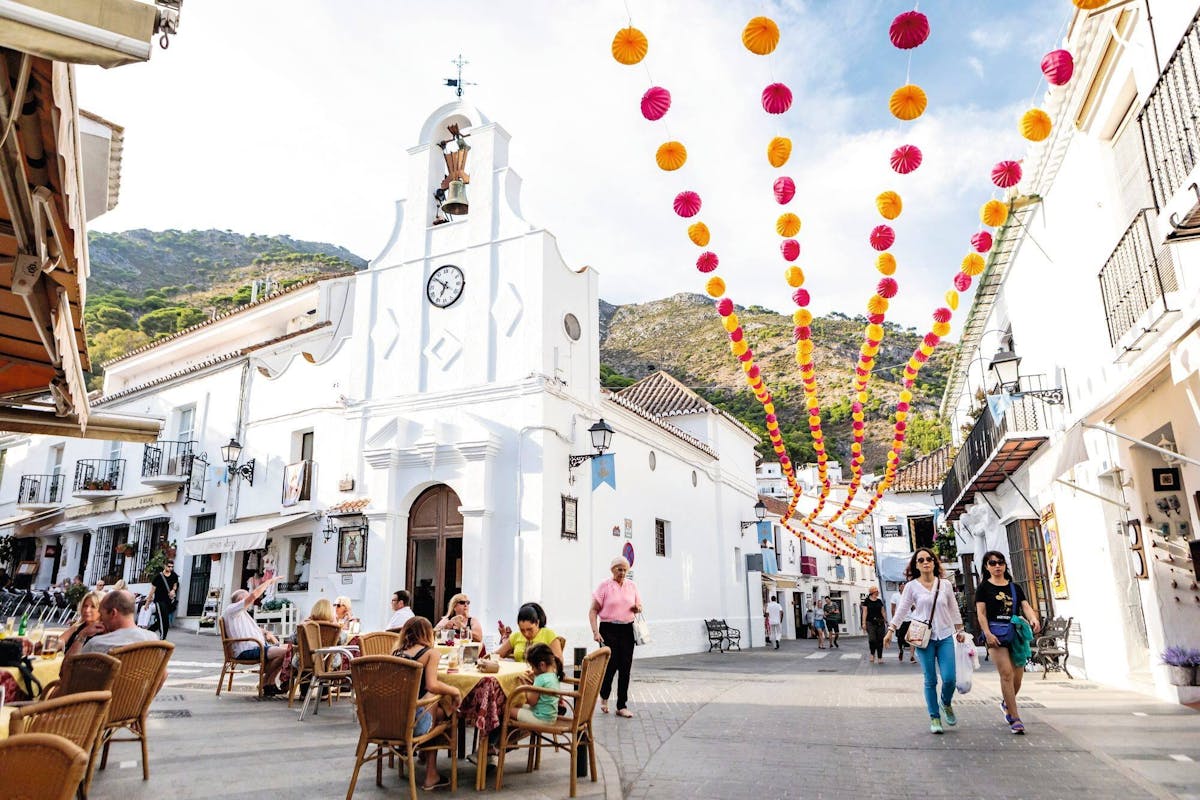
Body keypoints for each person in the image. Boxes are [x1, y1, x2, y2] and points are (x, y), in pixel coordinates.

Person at [883, 548, 967, 734]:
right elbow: (902, 610)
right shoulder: (912, 586)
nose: (925, 562)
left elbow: (954, 609)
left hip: (944, 635)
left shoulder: (944, 585)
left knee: (949, 678)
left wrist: (959, 629)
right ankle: (934, 717)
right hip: (922, 638)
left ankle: (945, 703)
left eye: (929, 559)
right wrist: (891, 630)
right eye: (921, 560)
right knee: (930, 680)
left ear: (934, 562)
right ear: (916, 565)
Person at [976, 550, 1041, 735]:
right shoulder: (984, 588)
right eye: (993, 563)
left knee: (1017, 677)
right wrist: (987, 633)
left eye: (1000, 562)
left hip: (1014, 632)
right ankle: (1015, 717)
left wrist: (1033, 619)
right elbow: (981, 613)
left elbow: (1025, 606)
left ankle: (1006, 703)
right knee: (1006, 674)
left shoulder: (1014, 588)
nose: (997, 566)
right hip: (995, 634)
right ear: (986, 567)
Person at [396, 617, 461, 790]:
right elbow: (431, 684)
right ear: (427, 633)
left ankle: (424, 756)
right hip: (414, 725)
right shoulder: (431, 653)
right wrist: (455, 691)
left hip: (393, 721)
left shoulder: (396, 653)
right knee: (444, 708)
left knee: (441, 710)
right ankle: (431, 774)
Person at [589, 556, 642, 718]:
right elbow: (593, 611)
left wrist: (637, 608)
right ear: (612, 570)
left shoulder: (632, 586)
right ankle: (604, 697)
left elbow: (640, 606)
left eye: (625, 569)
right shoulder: (604, 586)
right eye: (619, 569)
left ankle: (621, 705)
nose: (622, 572)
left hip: (627, 629)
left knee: (625, 667)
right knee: (610, 666)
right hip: (608, 629)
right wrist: (595, 632)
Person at [221, 575, 288, 695]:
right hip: (247, 650)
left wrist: (267, 633)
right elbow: (253, 596)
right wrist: (269, 582)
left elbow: (257, 630)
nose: (250, 600)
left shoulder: (242, 614)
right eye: (246, 597)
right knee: (287, 652)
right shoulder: (232, 610)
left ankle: (269, 683)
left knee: (286, 650)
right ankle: (268, 682)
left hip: (258, 647)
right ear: (240, 599)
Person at [81, 590, 159, 654]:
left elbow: (72, 669)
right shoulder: (153, 639)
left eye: (102, 614)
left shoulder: (97, 644)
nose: (101, 619)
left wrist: (81, 637)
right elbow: (163, 673)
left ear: (113, 613)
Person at [510, 642, 562, 724]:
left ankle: (508, 735)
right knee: (518, 706)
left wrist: (525, 685)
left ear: (542, 665)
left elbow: (531, 702)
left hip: (540, 718)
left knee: (508, 710)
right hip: (551, 717)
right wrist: (533, 680)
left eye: (533, 667)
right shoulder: (554, 675)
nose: (532, 670)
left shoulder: (540, 679)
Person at [495, 602, 562, 662]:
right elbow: (496, 655)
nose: (526, 634)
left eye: (530, 629)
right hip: (519, 674)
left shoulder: (548, 634)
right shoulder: (516, 636)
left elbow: (559, 662)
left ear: (537, 623)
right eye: (522, 630)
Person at [61, 590, 105, 656]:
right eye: (85, 606)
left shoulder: (104, 632)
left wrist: (82, 635)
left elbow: (72, 659)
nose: (87, 610)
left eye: (93, 607)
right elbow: (59, 641)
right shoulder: (77, 627)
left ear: (102, 610)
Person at [145, 559, 179, 640]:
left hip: (168, 601)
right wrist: (147, 603)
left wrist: (173, 590)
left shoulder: (174, 575)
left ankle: (148, 632)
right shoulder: (158, 577)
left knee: (164, 620)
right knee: (162, 619)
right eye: (169, 566)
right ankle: (162, 638)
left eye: (172, 567)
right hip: (159, 601)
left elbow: (175, 584)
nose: (170, 568)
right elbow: (152, 591)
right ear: (164, 566)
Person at [891, 581, 916, 663]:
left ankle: (912, 656)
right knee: (900, 638)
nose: (903, 587)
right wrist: (894, 620)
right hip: (900, 620)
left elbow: (913, 607)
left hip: (910, 619)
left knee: (911, 638)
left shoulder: (910, 596)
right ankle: (901, 650)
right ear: (899, 587)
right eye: (901, 586)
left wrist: (915, 614)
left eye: (904, 586)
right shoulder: (895, 596)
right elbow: (893, 608)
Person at [861, 586, 886, 664]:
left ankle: (880, 657)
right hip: (870, 622)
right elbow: (864, 612)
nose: (877, 592)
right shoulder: (867, 601)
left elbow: (883, 611)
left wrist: (886, 620)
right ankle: (872, 653)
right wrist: (863, 623)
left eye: (877, 591)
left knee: (880, 640)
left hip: (880, 622)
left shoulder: (879, 601)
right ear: (872, 592)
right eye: (876, 591)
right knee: (872, 639)